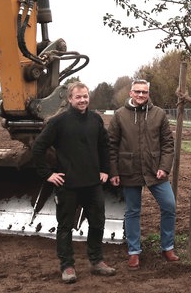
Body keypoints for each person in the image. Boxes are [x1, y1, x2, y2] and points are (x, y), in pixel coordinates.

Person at [32, 81, 116, 284]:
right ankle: (67, 266)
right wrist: (47, 174)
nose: (83, 100)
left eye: (85, 96)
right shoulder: (58, 122)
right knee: (65, 226)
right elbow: (37, 148)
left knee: (97, 223)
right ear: (70, 99)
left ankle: (96, 261)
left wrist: (105, 170)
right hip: (67, 185)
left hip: (93, 184)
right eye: (78, 97)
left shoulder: (95, 120)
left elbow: (105, 146)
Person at [108, 79, 178, 270]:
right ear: (131, 93)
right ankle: (134, 252)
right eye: (137, 92)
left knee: (169, 205)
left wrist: (164, 167)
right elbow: (111, 145)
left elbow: (167, 144)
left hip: (155, 170)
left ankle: (167, 247)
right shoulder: (120, 115)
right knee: (132, 211)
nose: (140, 95)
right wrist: (114, 171)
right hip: (129, 170)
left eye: (144, 92)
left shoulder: (159, 114)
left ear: (148, 94)